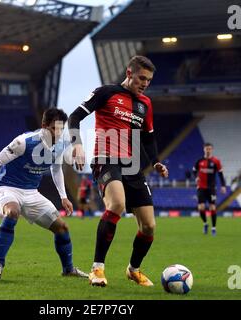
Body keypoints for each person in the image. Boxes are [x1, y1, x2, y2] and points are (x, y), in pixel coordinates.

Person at [68, 55, 168, 287]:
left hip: (132, 166)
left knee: (149, 226)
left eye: (149, 80)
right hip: (106, 160)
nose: (145, 83)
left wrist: (155, 162)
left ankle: (133, 270)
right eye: (142, 78)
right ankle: (97, 269)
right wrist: (77, 144)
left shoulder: (145, 104)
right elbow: (75, 117)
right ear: (129, 73)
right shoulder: (105, 92)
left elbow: (149, 137)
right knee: (117, 204)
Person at [0, 108, 88, 280]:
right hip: (7, 187)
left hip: (32, 192)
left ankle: (68, 270)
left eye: (62, 129)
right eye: (55, 128)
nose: (59, 133)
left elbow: (56, 169)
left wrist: (63, 197)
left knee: (62, 228)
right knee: (13, 212)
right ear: (44, 126)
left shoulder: (60, 145)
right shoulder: (24, 141)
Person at [192, 143, 227, 236]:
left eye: (210, 149)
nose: (208, 150)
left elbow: (220, 174)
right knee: (201, 207)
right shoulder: (199, 161)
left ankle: (213, 228)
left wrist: (223, 185)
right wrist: (196, 177)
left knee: (212, 207)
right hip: (201, 187)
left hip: (211, 188)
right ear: (204, 149)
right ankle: (205, 223)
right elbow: (194, 170)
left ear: (212, 150)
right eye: (206, 149)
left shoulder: (216, 161)